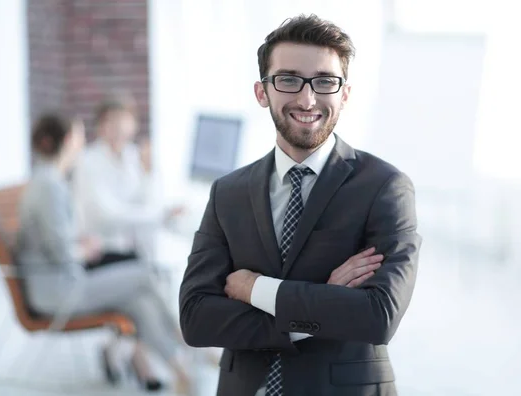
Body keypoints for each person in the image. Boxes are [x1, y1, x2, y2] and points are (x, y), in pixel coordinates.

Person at [179, 14, 421, 396]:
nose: (307, 99)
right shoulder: (228, 192)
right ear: (263, 93)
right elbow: (196, 319)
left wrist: (256, 288)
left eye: (324, 81)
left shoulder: (385, 187)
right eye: (289, 79)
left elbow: (378, 317)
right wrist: (319, 299)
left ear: (344, 93)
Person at [15, 114, 192, 393]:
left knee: (138, 300)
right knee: (143, 273)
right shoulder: (49, 186)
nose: (83, 142)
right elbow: (61, 251)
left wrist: (79, 242)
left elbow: (53, 240)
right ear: (68, 141)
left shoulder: (46, 180)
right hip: (60, 292)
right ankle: (184, 335)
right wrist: (83, 248)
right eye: (79, 135)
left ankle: (180, 373)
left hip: (61, 283)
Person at [73, 97, 183, 266]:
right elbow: (108, 215)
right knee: (157, 277)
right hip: (101, 253)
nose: (119, 127)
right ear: (100, 126)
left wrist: (149, 173)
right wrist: (160, 215)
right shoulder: (88, 161)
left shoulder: (134, 156)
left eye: (124, 120)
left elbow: (150, 202)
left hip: (134, 251)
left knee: (168, 265)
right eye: (112, 121)